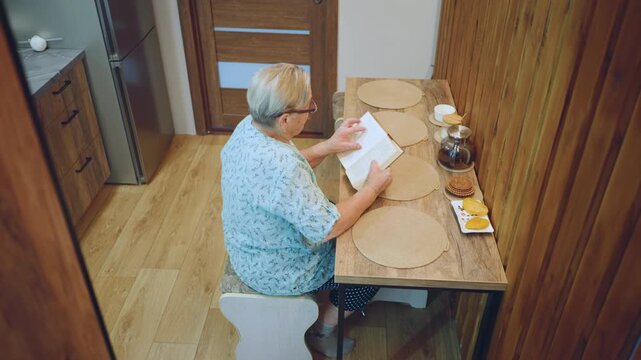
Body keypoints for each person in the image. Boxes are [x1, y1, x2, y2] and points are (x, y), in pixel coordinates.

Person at [220, 63, 392, 357]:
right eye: (309, 107)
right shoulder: (281, 167)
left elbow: (284, 174)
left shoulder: (249, 126)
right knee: (369, 268)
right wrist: (372, 189)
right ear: (285, 119)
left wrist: (329, 146)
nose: (313, 108)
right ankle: (320, 332)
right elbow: (329, 227)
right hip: (276, 271)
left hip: (247, 249)